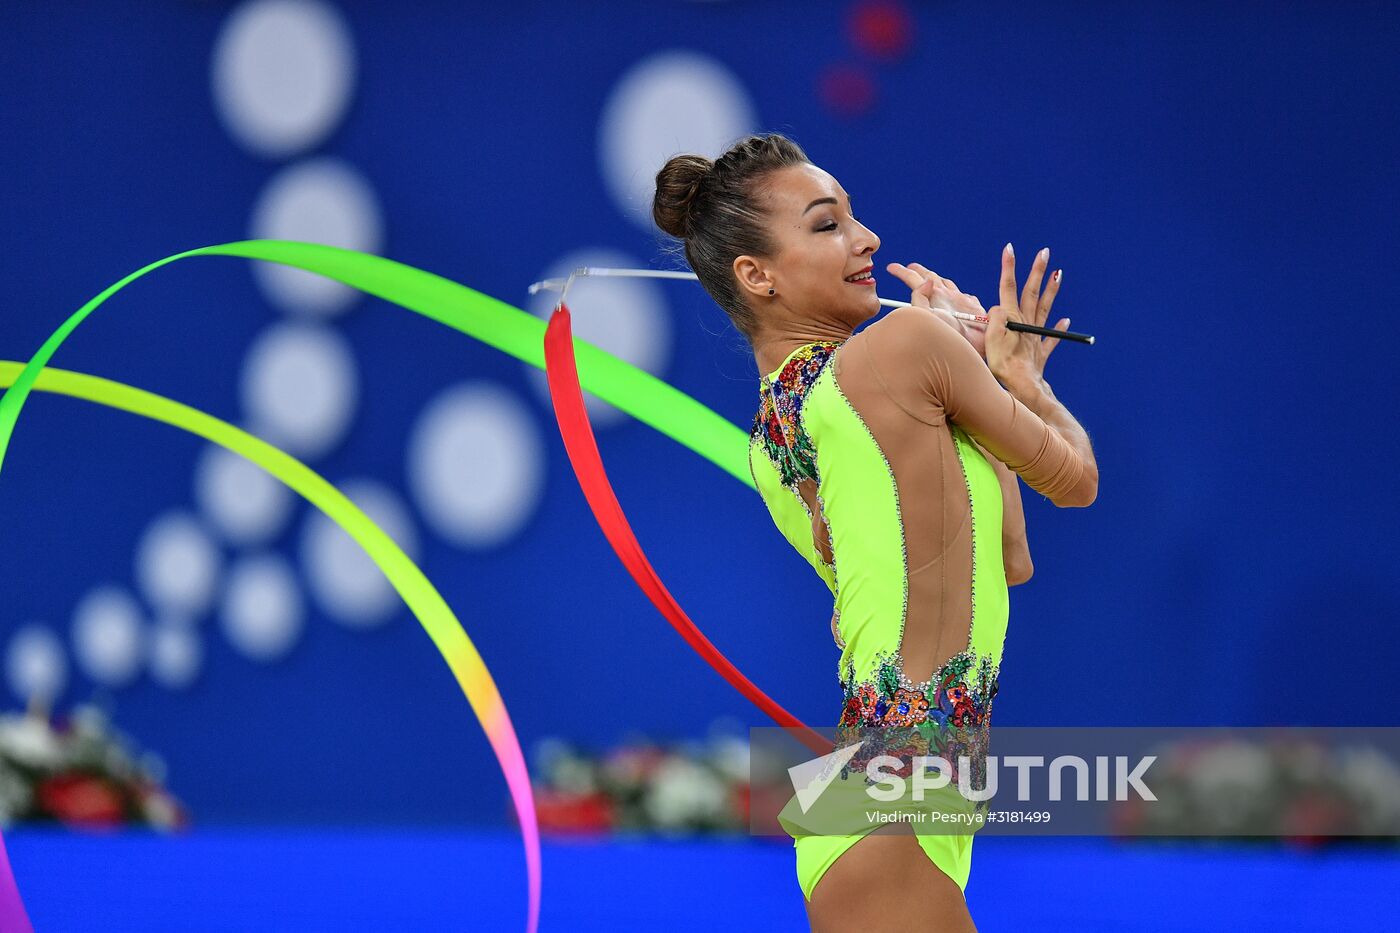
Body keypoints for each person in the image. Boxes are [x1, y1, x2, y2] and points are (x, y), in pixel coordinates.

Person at [652, 133, 1098, 931]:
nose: (867, 240)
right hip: (897, 802)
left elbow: (1007, 556)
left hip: (891, 800)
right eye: (827, 226)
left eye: (853, 218)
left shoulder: (773, 446)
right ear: (757, 276)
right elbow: (1076, 480)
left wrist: (995, 383)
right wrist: (998, 379)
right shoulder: (902, 347)